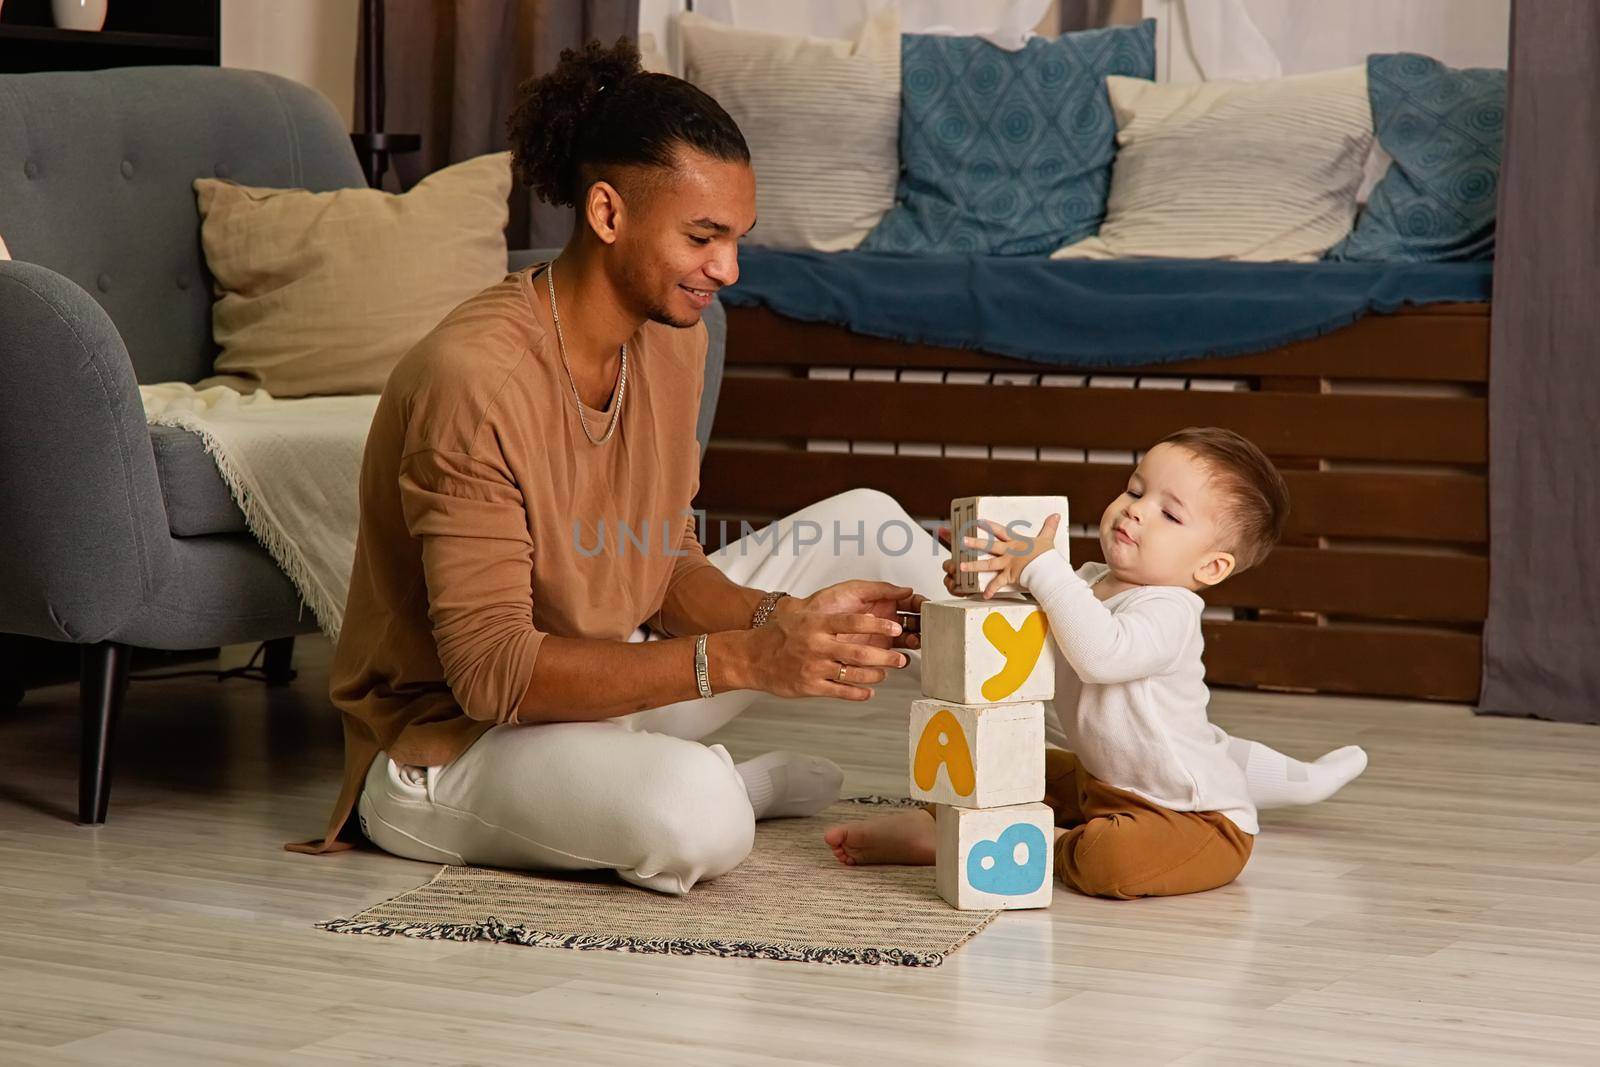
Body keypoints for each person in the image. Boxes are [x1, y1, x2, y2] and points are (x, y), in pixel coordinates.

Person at [286, 39, 926, 894]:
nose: (728, 269)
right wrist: (751, 659)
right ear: (607, 212)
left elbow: (664, 564)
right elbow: (493, 674)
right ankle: (727, 784)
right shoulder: (474, 379)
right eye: (703, 236)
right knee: (699, 813)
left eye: (736, 238)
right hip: (451, 747)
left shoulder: (674, 340)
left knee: (876, 524)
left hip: (606, 677)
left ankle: (1091, 777)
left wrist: (787, 617)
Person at [825, 428, 1367, 900]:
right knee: (1003, 760)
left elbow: (1100, 653)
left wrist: (1040, 568)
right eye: (1135, 488)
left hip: (1187, 817)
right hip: (1100, 779)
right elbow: (1032, 641)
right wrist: (974, 604)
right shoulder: (1084, 583)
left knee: (1110, 863)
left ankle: (1032, 843)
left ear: (1211, 565)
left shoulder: (1171, 610)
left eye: (1169, 512)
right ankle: (941, 828)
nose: (1135, 508)